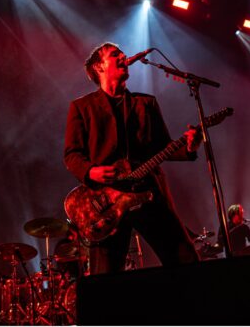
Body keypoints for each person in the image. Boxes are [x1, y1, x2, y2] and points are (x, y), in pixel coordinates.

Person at [63, 43, 201, 274]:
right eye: (114, 54)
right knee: (105, 276)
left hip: (148, 193)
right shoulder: (82, 107)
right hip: (107, 201)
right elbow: (72, 154)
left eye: (122, 53)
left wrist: (188, 146)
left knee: (185, 261)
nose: (123, 56)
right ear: (99, 66)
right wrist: (90, 171)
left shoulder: (146, 103)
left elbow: (164, 147)